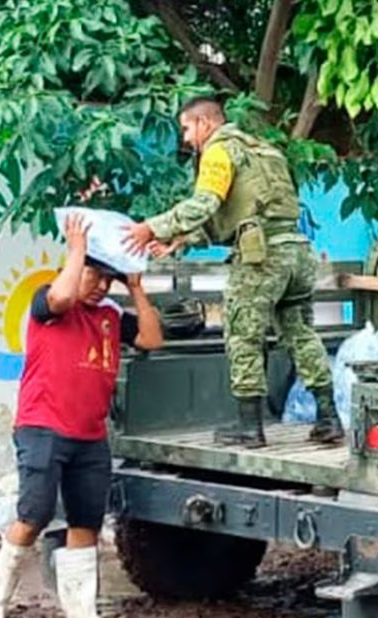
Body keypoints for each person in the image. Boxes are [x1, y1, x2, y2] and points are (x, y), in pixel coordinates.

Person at [0, 213, 163, 618]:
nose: (100, 286)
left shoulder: (112, 318)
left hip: (89, 434)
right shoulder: (48, 303)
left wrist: (136, 289)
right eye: (95, 276)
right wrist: (78, 250)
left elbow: (152, 339)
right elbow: (61, 297)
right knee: (35, 513)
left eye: (108, 280)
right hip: (42, 427)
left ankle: (80, 615)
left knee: (86, 521)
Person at [121, 96, 343, 448]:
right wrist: (181, 239)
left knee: (243, 335)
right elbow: (249, 208)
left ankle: (249, 427)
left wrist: (152, 227)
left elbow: (205, 203)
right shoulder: (266, 151)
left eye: (187, 128)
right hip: (297, 253)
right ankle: (329, 419)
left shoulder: (219, 151)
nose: (186, 139)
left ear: (206, 123)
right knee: (301, 333)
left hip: (262, 259)